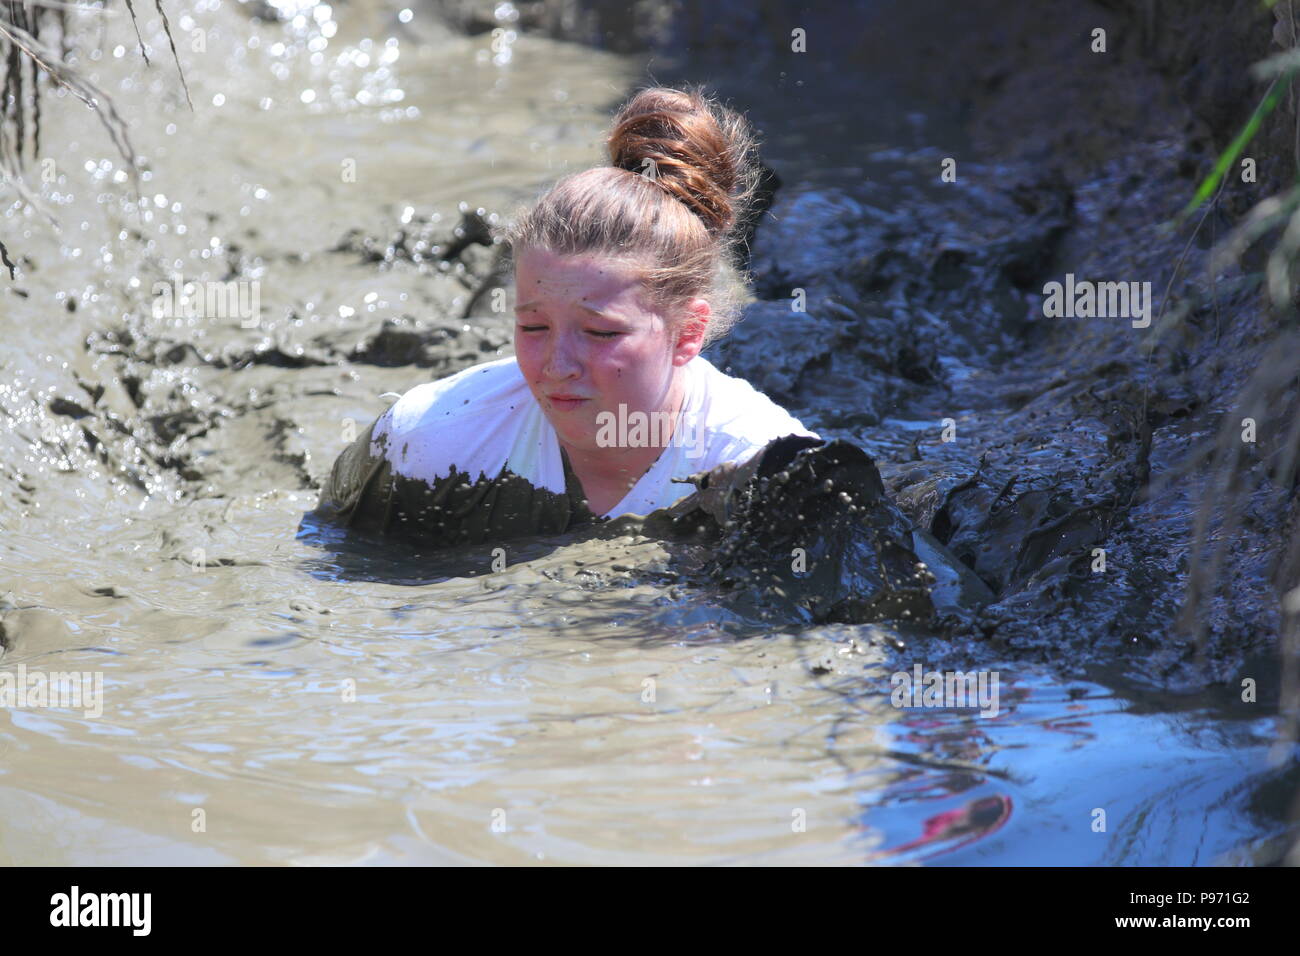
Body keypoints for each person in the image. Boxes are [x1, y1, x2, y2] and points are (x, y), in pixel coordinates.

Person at [311, 84, 822, 548]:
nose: (558, 365)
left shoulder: (763, 466)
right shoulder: (426, 444)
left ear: (688, 333)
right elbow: (331, 565)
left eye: (600, 332)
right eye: (533, 326)